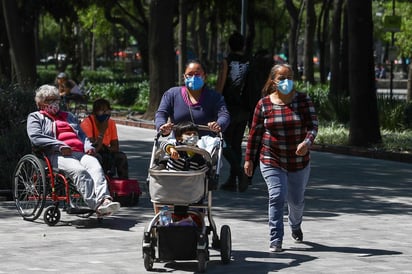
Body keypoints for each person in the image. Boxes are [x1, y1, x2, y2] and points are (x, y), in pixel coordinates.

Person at [243, 64, 318, 252]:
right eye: (282, 78)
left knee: (296, 200)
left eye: (290, 77)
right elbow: (255, 134)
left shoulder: (302, 100)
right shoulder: (264, 104)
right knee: (276, 196)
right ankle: (276, 239)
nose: (287, 82)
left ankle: (295, 224)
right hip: (271, 158)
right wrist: (249, 159)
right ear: (273, 81)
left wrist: (306, 143)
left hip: (298, 161)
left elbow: (313, 126)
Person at [26, 84, 121, 217]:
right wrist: (59, 145)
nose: (54, 103)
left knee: (96, 167)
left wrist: (88, 146)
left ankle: (105, 200)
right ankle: (97, 205)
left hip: (79, 152)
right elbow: (36, 137)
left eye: (56, 99)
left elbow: (82, 135)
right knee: (80, 171)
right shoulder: (35, 117)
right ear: (41, 103)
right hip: (57, 154)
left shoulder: (68, 116)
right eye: (50, 100)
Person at [155, 59, 230, 137]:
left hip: (206, 146)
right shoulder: (172, 94)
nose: (193, 77)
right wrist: (162, 126)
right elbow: (161, 113)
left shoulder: (214, 97)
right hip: (178, 145)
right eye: (190, 74)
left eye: (197, 75)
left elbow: (224, 115)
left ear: (205, 77)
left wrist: (218, 124)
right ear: (184, 76)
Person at [215, 31, 250, 192]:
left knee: (223, 141)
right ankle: (232, 179)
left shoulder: (226, 62)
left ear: (229, 45)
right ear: (243, 45)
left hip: (228, 107)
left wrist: (215, 102)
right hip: (245, 107)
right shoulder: (249, 61)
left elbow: (221, 85)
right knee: (236, 143)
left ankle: (238, 172)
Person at [80, 98, 129, 178]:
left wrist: (105, 148)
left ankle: (124, 185)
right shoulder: (86, 123)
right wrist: (102, 132)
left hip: (106, 151)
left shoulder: (111, 123)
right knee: (98, 158)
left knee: (121, 157)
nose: (105, 113)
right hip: (91, 153)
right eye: (102, 110)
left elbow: (115, 147)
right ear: (95, 112)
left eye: (107, 110)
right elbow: (93, 149)